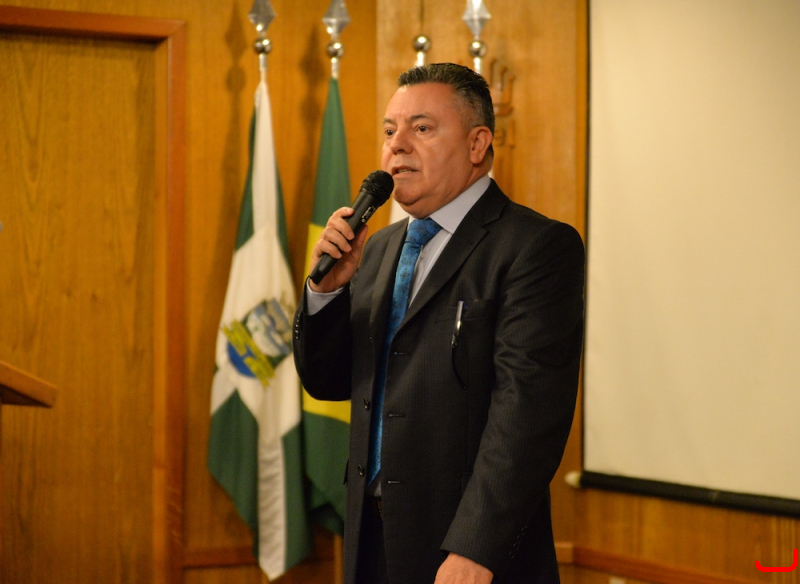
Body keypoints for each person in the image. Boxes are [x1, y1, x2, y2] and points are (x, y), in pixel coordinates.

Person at [293, 63, 584, 584]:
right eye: (389, 130)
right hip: (370, 542)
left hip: (467, 554)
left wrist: (476, 550)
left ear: (477, 144)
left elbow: (526, 417)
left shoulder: (534, 247)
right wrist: (326, 292)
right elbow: (330, 381)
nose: (397, 145)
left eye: (421, 128)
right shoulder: (377, 247)